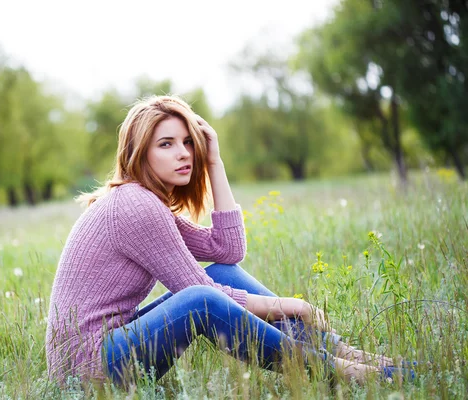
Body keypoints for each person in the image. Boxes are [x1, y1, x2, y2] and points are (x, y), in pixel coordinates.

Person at [45, 95, 409, 388]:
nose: (184, 152)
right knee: (201, 299)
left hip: (112, 345)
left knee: (224, 272)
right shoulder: (136, 206)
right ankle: (336, 370)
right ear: (140, 152)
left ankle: (346, 355)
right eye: (167, 144)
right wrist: (293, 305)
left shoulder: (144, 202)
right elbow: (202, 294)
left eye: (189, 142)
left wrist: (215, 162)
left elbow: (227, 251)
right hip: (88, 368)